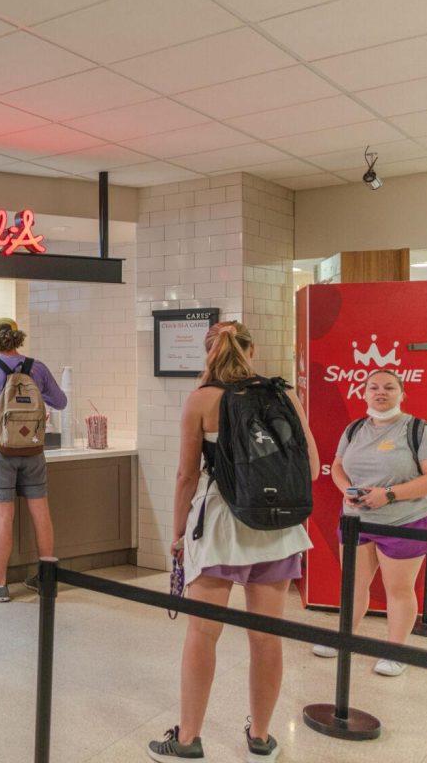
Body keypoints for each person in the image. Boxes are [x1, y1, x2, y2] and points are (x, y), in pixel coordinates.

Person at [148, 321, 316, 763]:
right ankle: (260, 738)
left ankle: (187, 740)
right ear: (252, 349)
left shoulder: (202, 400)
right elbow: (312, 467)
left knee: (202, 634)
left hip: (220, 526)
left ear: (207, 352)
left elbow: (186, 475)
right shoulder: (285, 394)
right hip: (277, 532)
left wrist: (179, 531)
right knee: (267, 638)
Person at [311, 369, 427, 676]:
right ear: (364, 392)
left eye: (388, 387)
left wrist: (390, 495)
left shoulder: (421, 430)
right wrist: (347, 491)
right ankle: (345, 639)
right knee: (353, 585)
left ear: (402, 392)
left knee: (398, 589)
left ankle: (394, 652)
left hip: (404, 521)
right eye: (374, 387)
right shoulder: (355, 429)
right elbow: (339, 467)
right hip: (356, 521)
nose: (380, 392)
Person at [0, 318, 67, 602]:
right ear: (18, 338)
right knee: (41, 512)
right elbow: (61, 402)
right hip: (33, 449)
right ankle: (46, 581)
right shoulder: (37, 367)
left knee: (3, 516)